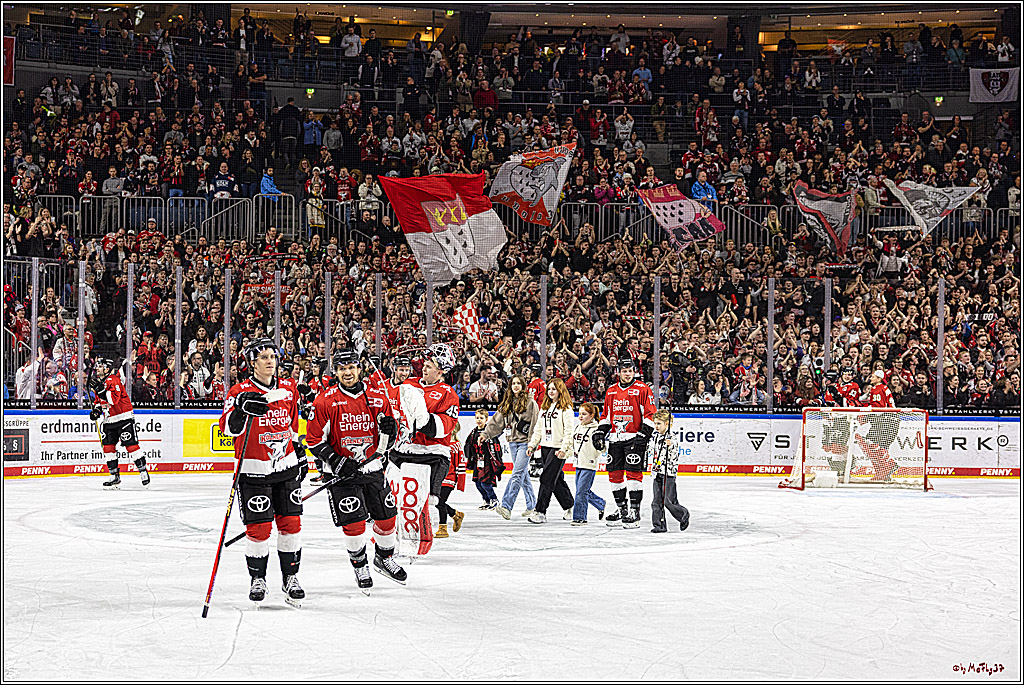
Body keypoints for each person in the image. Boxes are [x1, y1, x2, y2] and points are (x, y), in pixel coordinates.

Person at [305, 349, 403, 594]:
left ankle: (384, 558)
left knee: (387, 518)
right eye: (341, 368)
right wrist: (337, 462)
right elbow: (314, 440)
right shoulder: (324, 401)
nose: (347, 372)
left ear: (359, 368)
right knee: (355, 524)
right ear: (335, 371)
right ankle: (360, 565)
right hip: (342, 474)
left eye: (351, 367)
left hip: (372, 468)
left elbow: (390, 439)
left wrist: (391, 432)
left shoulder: (377, 397)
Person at [218, 338, 306, 606]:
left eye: (273, 356)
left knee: (291, 526)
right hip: (253, 471)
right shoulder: (239, 391)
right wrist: (241, 411)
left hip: (286, 469)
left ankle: (290, 577)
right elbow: (228, 429)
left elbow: (292, 427)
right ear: (252, 363)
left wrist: (300, 454)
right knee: (259, 529)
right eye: (263, 357)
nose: (270, 361)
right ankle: (258, 579)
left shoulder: (289, 389)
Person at [391, 343, 461, 520]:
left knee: (428, 500)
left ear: (440, 372)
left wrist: (422, 419)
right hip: (404, 449)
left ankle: (421, 528)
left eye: (429, 367)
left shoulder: (448, 394)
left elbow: (443, 428)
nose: (424, 369)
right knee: (389, 489)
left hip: (433, 453)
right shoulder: (409, 384)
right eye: (424, 365)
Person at [591, 357, 655, 529]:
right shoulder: (611, 391)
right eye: (624, 371)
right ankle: (622, 509)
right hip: (615, 439)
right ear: (618, 372)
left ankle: (635, 512)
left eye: (630, 371)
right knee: (614, 474)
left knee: (634, 474)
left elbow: (650, 414)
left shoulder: (643, 389)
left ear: (634, 371)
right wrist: (599, 431)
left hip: (634, 437)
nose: (627, 374)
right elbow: (606, 416)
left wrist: (644, 434)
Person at [481, 375, 539, 520]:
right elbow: (497, 421)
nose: (516, 386)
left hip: (526, 443)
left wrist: (533, 444)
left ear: (523, 386)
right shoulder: (507, 403)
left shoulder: (531, 403)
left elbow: (536, 424)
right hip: (513, 442)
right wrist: (486, 434)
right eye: (513, 383)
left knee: (517, 474)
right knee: (523, 474)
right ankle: (532, 505)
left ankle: (507, 506)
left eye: (519, 383)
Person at [89, 357, 149, 490]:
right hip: (109, 420)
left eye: (100, 366)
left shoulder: (113, 380)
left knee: (131, 446)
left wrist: (100, 390)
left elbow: (113, 399)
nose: (97, 368)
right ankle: (114, 476)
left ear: (107, 369)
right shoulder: (101, 382)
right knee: (108, 448)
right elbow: (100, 402)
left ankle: (143, 471)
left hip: (123, 419)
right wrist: (97, 411)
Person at [526, 378, 577, 524]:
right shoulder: (545, 407)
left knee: (546, 478)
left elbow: (569, 431)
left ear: (560, 390)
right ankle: (570, 505)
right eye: (549, 389)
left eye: (554, 389)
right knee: (556, 479)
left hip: (558, 448)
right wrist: (532, 445)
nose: (551, 391)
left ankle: (540, 511)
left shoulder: (566, 408)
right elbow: (538, 429)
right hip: (546, 447)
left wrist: (564, 449)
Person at [647, 410, 690, 533]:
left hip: (668, 474)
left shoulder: (672, 438)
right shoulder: (655, 437)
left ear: (667, 424)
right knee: (656, 501)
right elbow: (651, 451)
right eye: (655, 423)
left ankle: (683, 514)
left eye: (659, 423)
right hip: (657, 472)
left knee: (668, 501)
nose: (656, 426)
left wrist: (670, 446)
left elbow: (674, 456)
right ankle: (659, 525)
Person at [569, 402, 607, 525]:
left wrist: (601, 446)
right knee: (583, 490)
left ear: (591, 416)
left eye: (584, 414)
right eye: (580, 414)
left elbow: (603, 449)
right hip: (578, 463)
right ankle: (600, 503)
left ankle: (580, 517)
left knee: (581, 491)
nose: (580, 416)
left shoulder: (596, 430)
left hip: (589, 464)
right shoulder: (577, 427)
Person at [465, 408, 504, 509]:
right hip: (478, 462)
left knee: (485, 483)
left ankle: (494, 499)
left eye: (481, 418)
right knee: (478, 483)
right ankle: (486, 500)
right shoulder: (473, 432)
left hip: (488, 462)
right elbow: (469, 445)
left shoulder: (489, 432)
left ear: (486, 419)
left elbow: (496, 447)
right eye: (477, 418)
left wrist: (496, 461)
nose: (479, 420)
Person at [435, 424, 466, 538]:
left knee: (440, 502)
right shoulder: (440, 445)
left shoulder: (456, 446)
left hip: (449, 479)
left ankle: (442, 528)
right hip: (438, 478)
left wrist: (460, 482)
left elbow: (460, 464)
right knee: (436, 502)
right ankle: (455, 515)